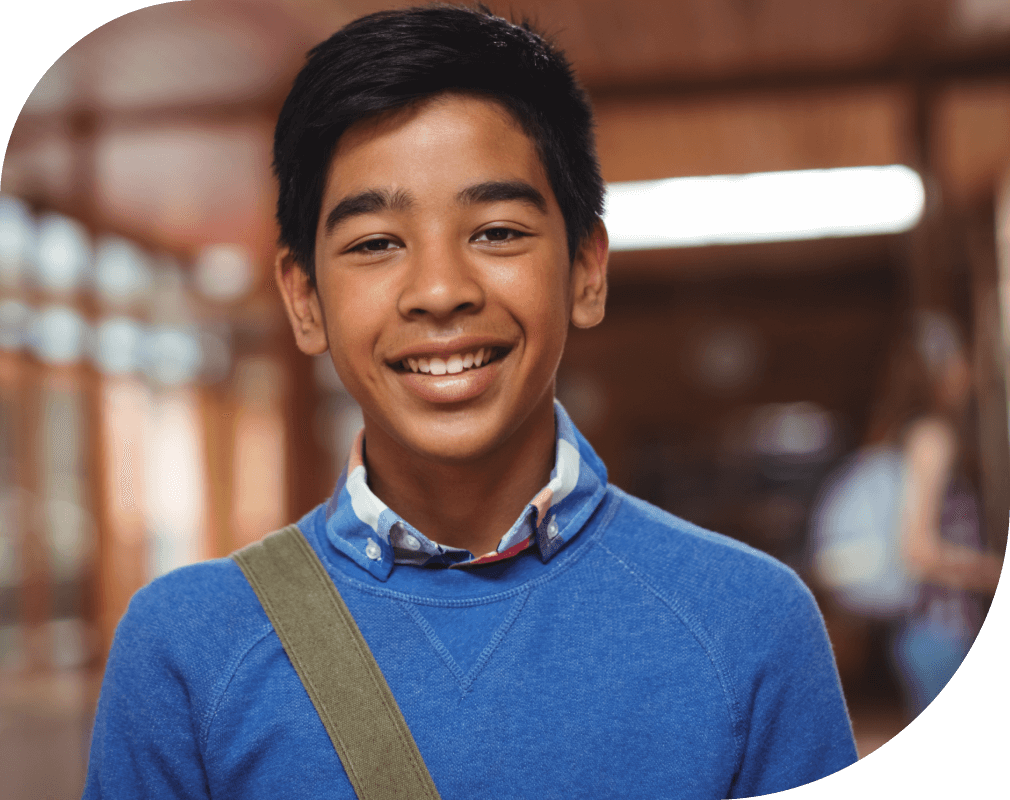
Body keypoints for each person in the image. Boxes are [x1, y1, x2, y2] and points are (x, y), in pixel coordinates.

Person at [82, 5, 858, 798]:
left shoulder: (750, 627)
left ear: (586, 269)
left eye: (497, 231)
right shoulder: (187, 650)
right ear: (305, 299)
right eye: (375, 243)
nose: (441, 291)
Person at [811, 310, 1002, 717]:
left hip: (920, 632)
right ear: (945, 369)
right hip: (942, 630)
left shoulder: (900, 434)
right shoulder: (933, 438)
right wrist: (990, 571)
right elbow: (919, 550)